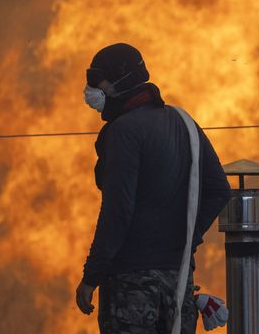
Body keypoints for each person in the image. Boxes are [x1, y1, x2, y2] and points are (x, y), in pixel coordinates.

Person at [73, 43, 232, 334]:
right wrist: (186, 238)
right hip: (179, 282)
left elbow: (117, 211)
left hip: (131, 288)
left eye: (97, 80)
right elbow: (220, 190)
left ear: (122, 81)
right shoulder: (185, 122)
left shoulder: (123, 131)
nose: (90, 89)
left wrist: (91, 276)